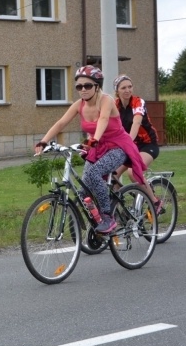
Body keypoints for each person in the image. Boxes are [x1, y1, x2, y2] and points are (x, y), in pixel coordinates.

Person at [34, 65, 161, 234]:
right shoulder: (79, 105)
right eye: (79, 86)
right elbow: (61, 123)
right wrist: (44, 141)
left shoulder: (106, 100)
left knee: (94, 174)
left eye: (88, 85)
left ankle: (108, 217)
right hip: (98, 146)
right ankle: (96, 223)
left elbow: (103, 119)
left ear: (97, 86)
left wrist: (94, 139)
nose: (83, 90)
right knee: (84, 186)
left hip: (118, 145)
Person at [112, 74, 160, 182]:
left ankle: (150, 198)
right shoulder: (115, 105)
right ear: (117, 91)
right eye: (123, 88)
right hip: (130, 146)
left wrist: (128, 142)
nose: (127, 90)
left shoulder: (138, 102)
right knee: (112, 175)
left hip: (147, 144)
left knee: (133, 172)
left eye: (130, 86)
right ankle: (116, 198)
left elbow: (136, 122)